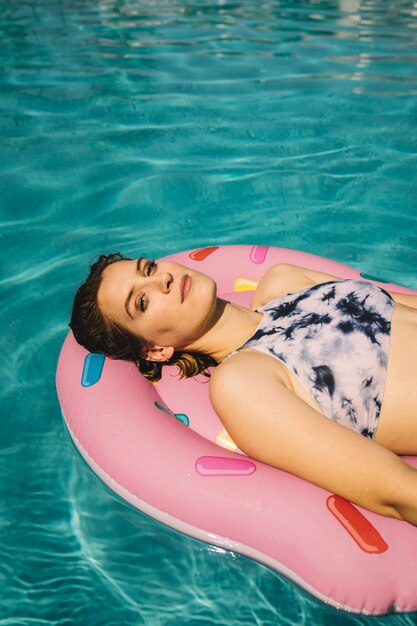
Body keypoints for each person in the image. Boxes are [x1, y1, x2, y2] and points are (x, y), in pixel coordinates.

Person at [70, 253, 417, 525]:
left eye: (149, 268)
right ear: (155, 350)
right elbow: (397, 492)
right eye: (141, 302)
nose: (163, 279)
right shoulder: (243, 382)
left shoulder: (286, 280)